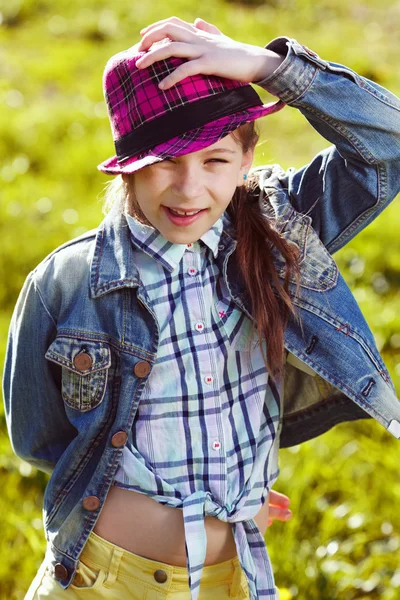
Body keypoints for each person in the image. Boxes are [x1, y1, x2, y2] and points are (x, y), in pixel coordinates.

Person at [3, 14, 400, 600]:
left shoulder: (279, 234)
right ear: (129, 165)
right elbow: (37, 436)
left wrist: (268, 67)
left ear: (246, 160)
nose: (190, 190)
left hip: (231, 578)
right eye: (165, 162)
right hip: (100, 578)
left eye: (215, 161)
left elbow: (387, 145)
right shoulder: (67, 283)